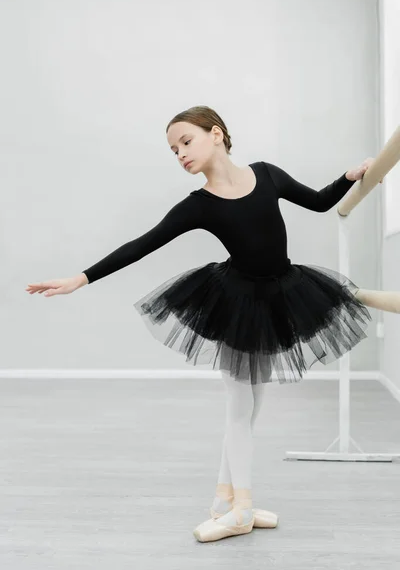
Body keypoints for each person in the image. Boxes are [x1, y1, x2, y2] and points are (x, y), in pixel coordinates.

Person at [26, 105, 377, 543]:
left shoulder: (267, 175)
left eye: (185, 142)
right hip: (237, 303)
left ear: (217, 134)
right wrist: (80, 278)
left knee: (254, 406)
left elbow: (321, 203)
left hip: (279, 296)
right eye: (173, 151)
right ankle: (242, 509)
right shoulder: (200, 205)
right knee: (238, 407)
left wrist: (352, 175)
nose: (180, 155)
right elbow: (143, 244)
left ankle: (225, 502)